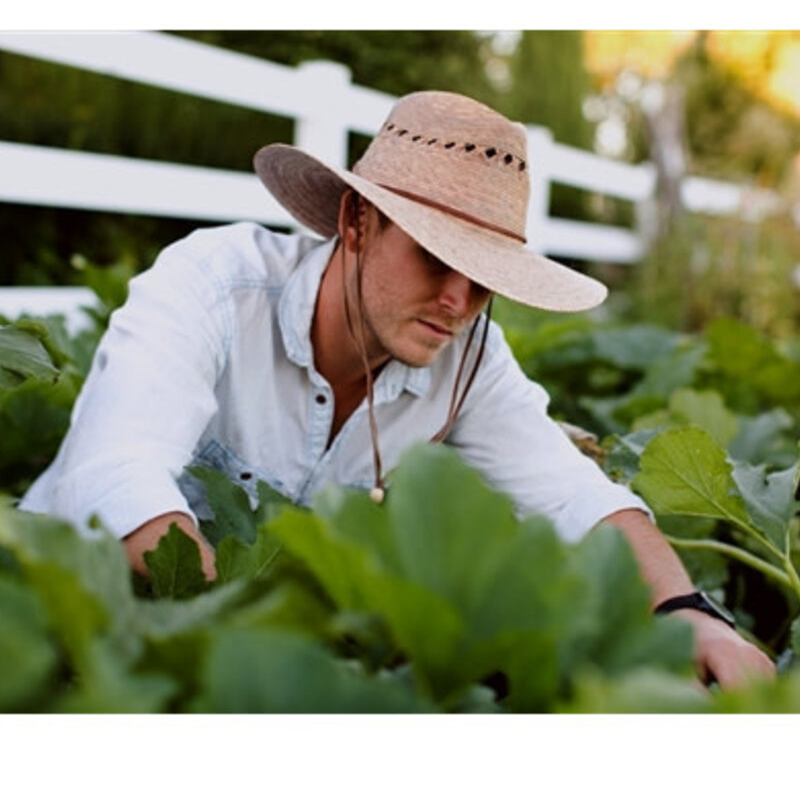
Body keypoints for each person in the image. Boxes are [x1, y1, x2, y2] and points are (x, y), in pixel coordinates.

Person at [21, 89, 774, 690]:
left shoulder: (470, 358)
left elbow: (574, 493)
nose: (457, 298)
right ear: (356, 221)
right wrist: (249, 646)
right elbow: (117, 475)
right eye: (433, 258)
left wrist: (691, 615)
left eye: (484, 279)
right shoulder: (215, 285)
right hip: (55, 633)